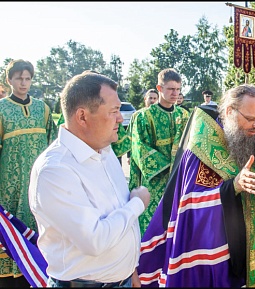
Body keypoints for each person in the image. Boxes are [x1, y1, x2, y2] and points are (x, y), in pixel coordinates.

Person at [136, 84, 255, 287]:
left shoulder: (250, 138)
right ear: (230, 111)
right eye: (251, 119)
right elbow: (191, 205)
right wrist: (234, 187)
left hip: (248, 245)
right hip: (215, 251)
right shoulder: (202, 147)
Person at [28, 71, 151, 288]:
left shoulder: (104, 150)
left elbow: (116, 211)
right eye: (114, 111)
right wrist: (138, 203)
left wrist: (129, 269)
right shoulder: (56, 170)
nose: (121, 118)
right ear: (82, 116)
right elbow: (95, 240)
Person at [0, 59, 57, 287]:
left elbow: (53, 144)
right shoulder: (1, 109)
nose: (24, 83)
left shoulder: (42, 109)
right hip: (8, 185)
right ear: (9, 80)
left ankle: (38, 272)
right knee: (11, 230)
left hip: (38, 182)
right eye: (19, 78)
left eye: (27, 78)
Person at [129, 68, 189, 236]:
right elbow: (139, 147)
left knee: (176, 226)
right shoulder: (144, 116)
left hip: (178, 179)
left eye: (178, 89)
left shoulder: (184, 115)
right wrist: (169, 166)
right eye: (171, 89)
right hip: (155, 181)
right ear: (159, 88)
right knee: (152, 227)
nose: (175, 93)